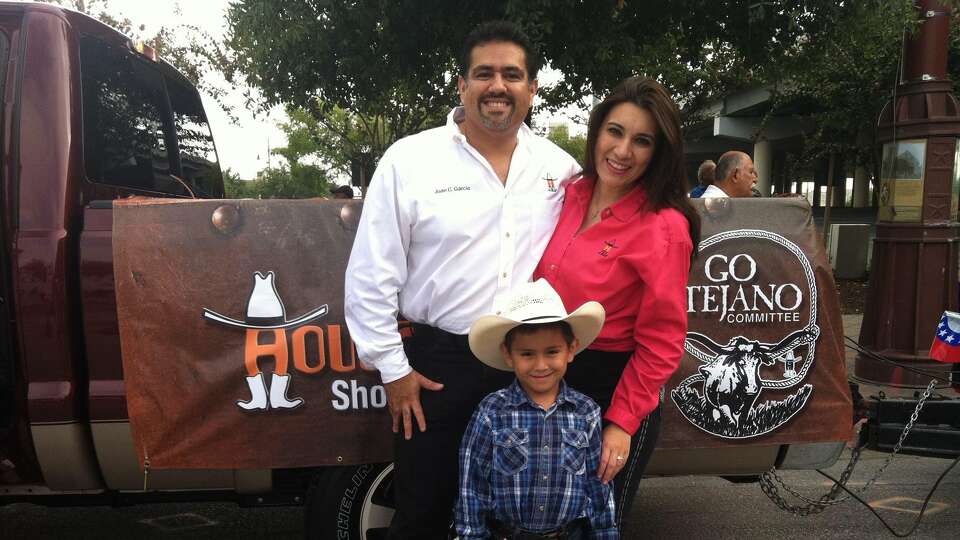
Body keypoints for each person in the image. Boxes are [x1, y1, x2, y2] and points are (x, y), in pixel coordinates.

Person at [344, 20, 581, 539]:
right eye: (484, 73)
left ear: (532, 88)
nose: (498, 86)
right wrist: (393, 369)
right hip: (437, 368)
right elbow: (369, 274)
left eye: (512, 75)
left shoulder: (560, 169)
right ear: (462, 84)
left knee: (518, 516)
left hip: (526, 365)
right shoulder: (410, 160)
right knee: (424, 512)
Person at [534, 76, 701, 529]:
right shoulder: (570, 194)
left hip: (612, 389)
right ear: (596, 133)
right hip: (549, 382)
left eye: (641, 140)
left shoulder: (664, 226)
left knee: (589, 528)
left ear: (659, 151)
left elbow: (664, 340)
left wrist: (622, 422)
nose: (623, 151)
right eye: (615, 131)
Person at [457, 279, 617, 540]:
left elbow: (598, 485)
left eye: (552, 351)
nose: (541, 365)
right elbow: (472, 487)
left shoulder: (586, 412)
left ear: (571, 349)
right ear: (508, 355)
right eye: (527, 354)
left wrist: (606, 533)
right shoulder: (492, 412)